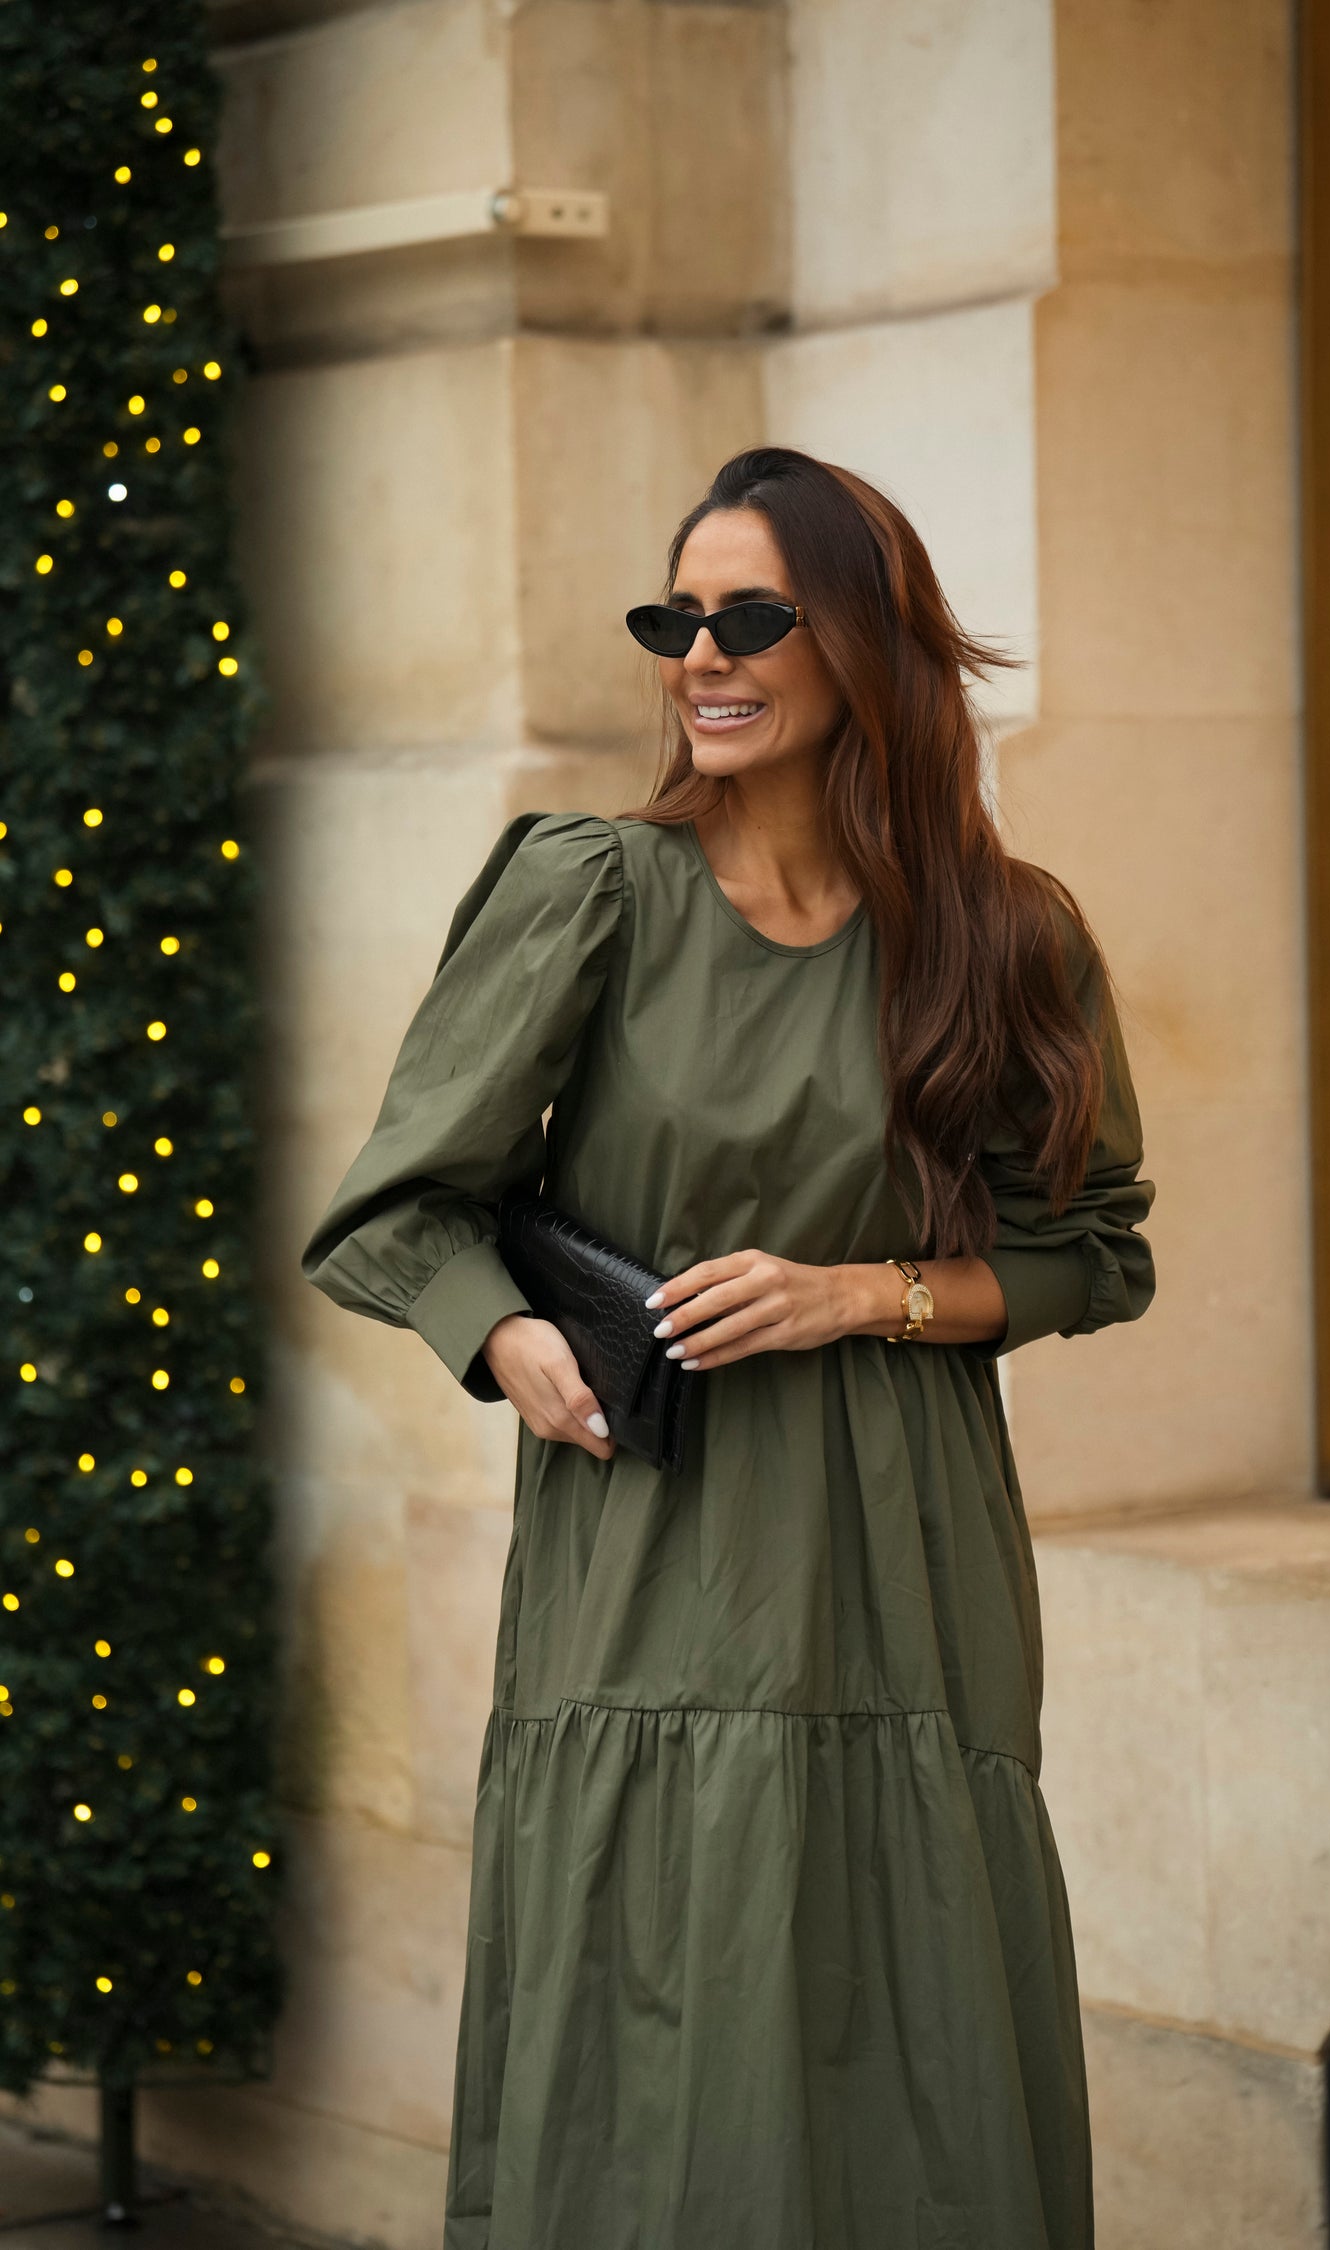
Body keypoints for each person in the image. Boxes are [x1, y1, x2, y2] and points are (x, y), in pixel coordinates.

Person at [301, 445, 1155, 2249]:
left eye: (751, 614)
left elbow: (1087, 1253)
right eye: (675, 617)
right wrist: (508, 1337)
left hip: (906, 1560)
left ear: (863, 639)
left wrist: (863, 1292)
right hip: (655, 1539)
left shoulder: (1005, 934)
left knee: (910, 2003)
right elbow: (398, 1208)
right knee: (655, 1995)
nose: (702, 652)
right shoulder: (595, 890)